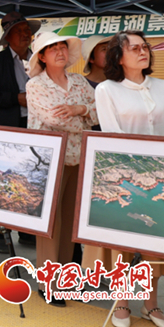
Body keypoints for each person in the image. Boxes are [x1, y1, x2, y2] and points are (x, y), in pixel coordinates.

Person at [83, 30, 163, 327]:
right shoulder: (107, 89)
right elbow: (112, 134)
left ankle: (151, 306)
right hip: (124, 175)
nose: (143, 52)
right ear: (118, 56)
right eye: (135, 48)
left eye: (145, 47)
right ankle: (121, 303)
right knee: (123, 242)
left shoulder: (161, 86)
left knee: (155, 240)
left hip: (160, 176)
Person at [26, 32, 97, 307]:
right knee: (50, 224)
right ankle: (48, 283)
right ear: (42, 57)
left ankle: (65, 280)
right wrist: (84, 115)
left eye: (62, 47)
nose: (59, 51)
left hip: (79, 157)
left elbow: (99, 111)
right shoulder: (35, 85)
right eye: (52, 48)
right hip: (50, 159)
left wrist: (78, 109)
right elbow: (53, 119)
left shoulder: (79, 81)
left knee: (70, 222)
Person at [0, 11, 40, 253]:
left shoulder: (40, 59)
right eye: (20, 31)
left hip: (36, 129)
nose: (26, 35)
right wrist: (16, 98)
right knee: (3, 181)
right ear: (8, 37)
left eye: (28, 31)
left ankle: (27, 231)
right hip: (8, 130)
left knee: (31, 181)